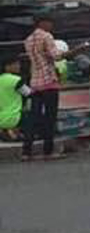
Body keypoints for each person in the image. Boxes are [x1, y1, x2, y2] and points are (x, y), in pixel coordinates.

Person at [21, 11, 68, 161]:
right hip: (48, 82)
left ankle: (26, 151)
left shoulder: (28, 39)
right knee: (50, 117)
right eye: (50, 22)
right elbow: (56, 56)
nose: (51, 25)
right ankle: (48, 151)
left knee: (33, 117)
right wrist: (72, 52)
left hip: (35, 82)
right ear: (42, 22)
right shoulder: (47, 36)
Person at [0, 57, 31, 142]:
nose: (19, 66)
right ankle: (15, 133)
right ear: (7, 67)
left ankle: (8, 131)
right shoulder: (16, 80)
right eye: (16, 64)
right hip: (15, 117)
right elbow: (29, 93)